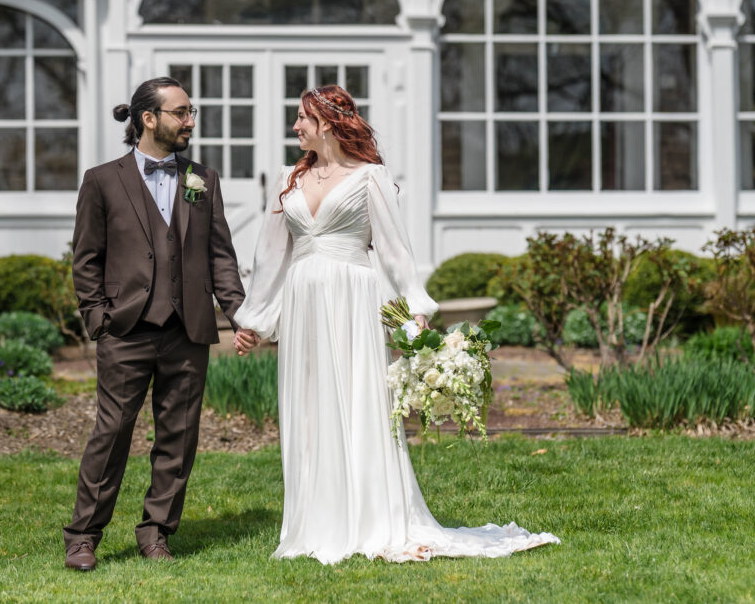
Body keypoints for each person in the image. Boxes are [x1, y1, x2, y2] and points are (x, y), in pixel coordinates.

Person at [232, 85, 558, 564]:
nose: (295, 127)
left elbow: (393, 250)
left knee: (361, 403)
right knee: (309, 406)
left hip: (353, 300)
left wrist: (414, 306)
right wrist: (256, 320)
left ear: (326, 122)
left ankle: (371, 517)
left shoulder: (371, 179)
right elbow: (269, 257)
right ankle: (315, 519)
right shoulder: (289, 179)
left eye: (302, 118)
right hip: (304, 304)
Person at [63, 76, 258, 571]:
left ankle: (156, 531)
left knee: (179, 434)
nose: (190, 121)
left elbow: (220, 258)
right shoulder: (103, 180)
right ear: (147, 119)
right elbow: (86, 259)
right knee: (112, 433)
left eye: (191, 112)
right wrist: (98, 319)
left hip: (187, 329)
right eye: (181, 112)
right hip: (125, 330)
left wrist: (238, 314)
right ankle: (84, 534)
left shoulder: (202, 179)